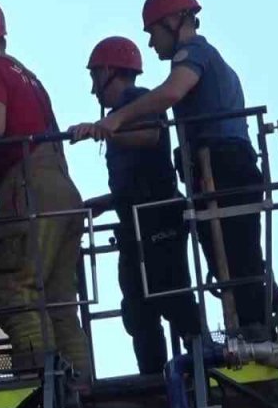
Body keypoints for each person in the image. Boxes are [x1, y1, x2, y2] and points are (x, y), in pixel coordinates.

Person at [70, 0, 270, 337]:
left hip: (222, 168)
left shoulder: (192, 53)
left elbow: (172, 92)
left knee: (233, 261)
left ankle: (253, 334)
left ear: (174, 22)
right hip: (217, 170)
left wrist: (113, 122)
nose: (151, 44)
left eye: (153, 33)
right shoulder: (205, 56)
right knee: (233, 263)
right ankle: (249, 332)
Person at [0, 0, 92, 381]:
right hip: (62, 190)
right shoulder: (27, 75)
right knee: (60, 305)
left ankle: (41, 382)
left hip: (31, 191)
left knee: (14, 295)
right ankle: (81, 383)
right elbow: (2, 166)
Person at [81, 36, 198, 374]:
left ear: (107, 71)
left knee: (171, 295)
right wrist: (105, 202)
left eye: (93, 78)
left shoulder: (137, 101)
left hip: (156, 216)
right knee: (137, 305)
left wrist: (103, 131)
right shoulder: (124, 111)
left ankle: (197, 362)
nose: (93, 90)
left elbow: (152, 135)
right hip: (136, 219)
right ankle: (157, 376)